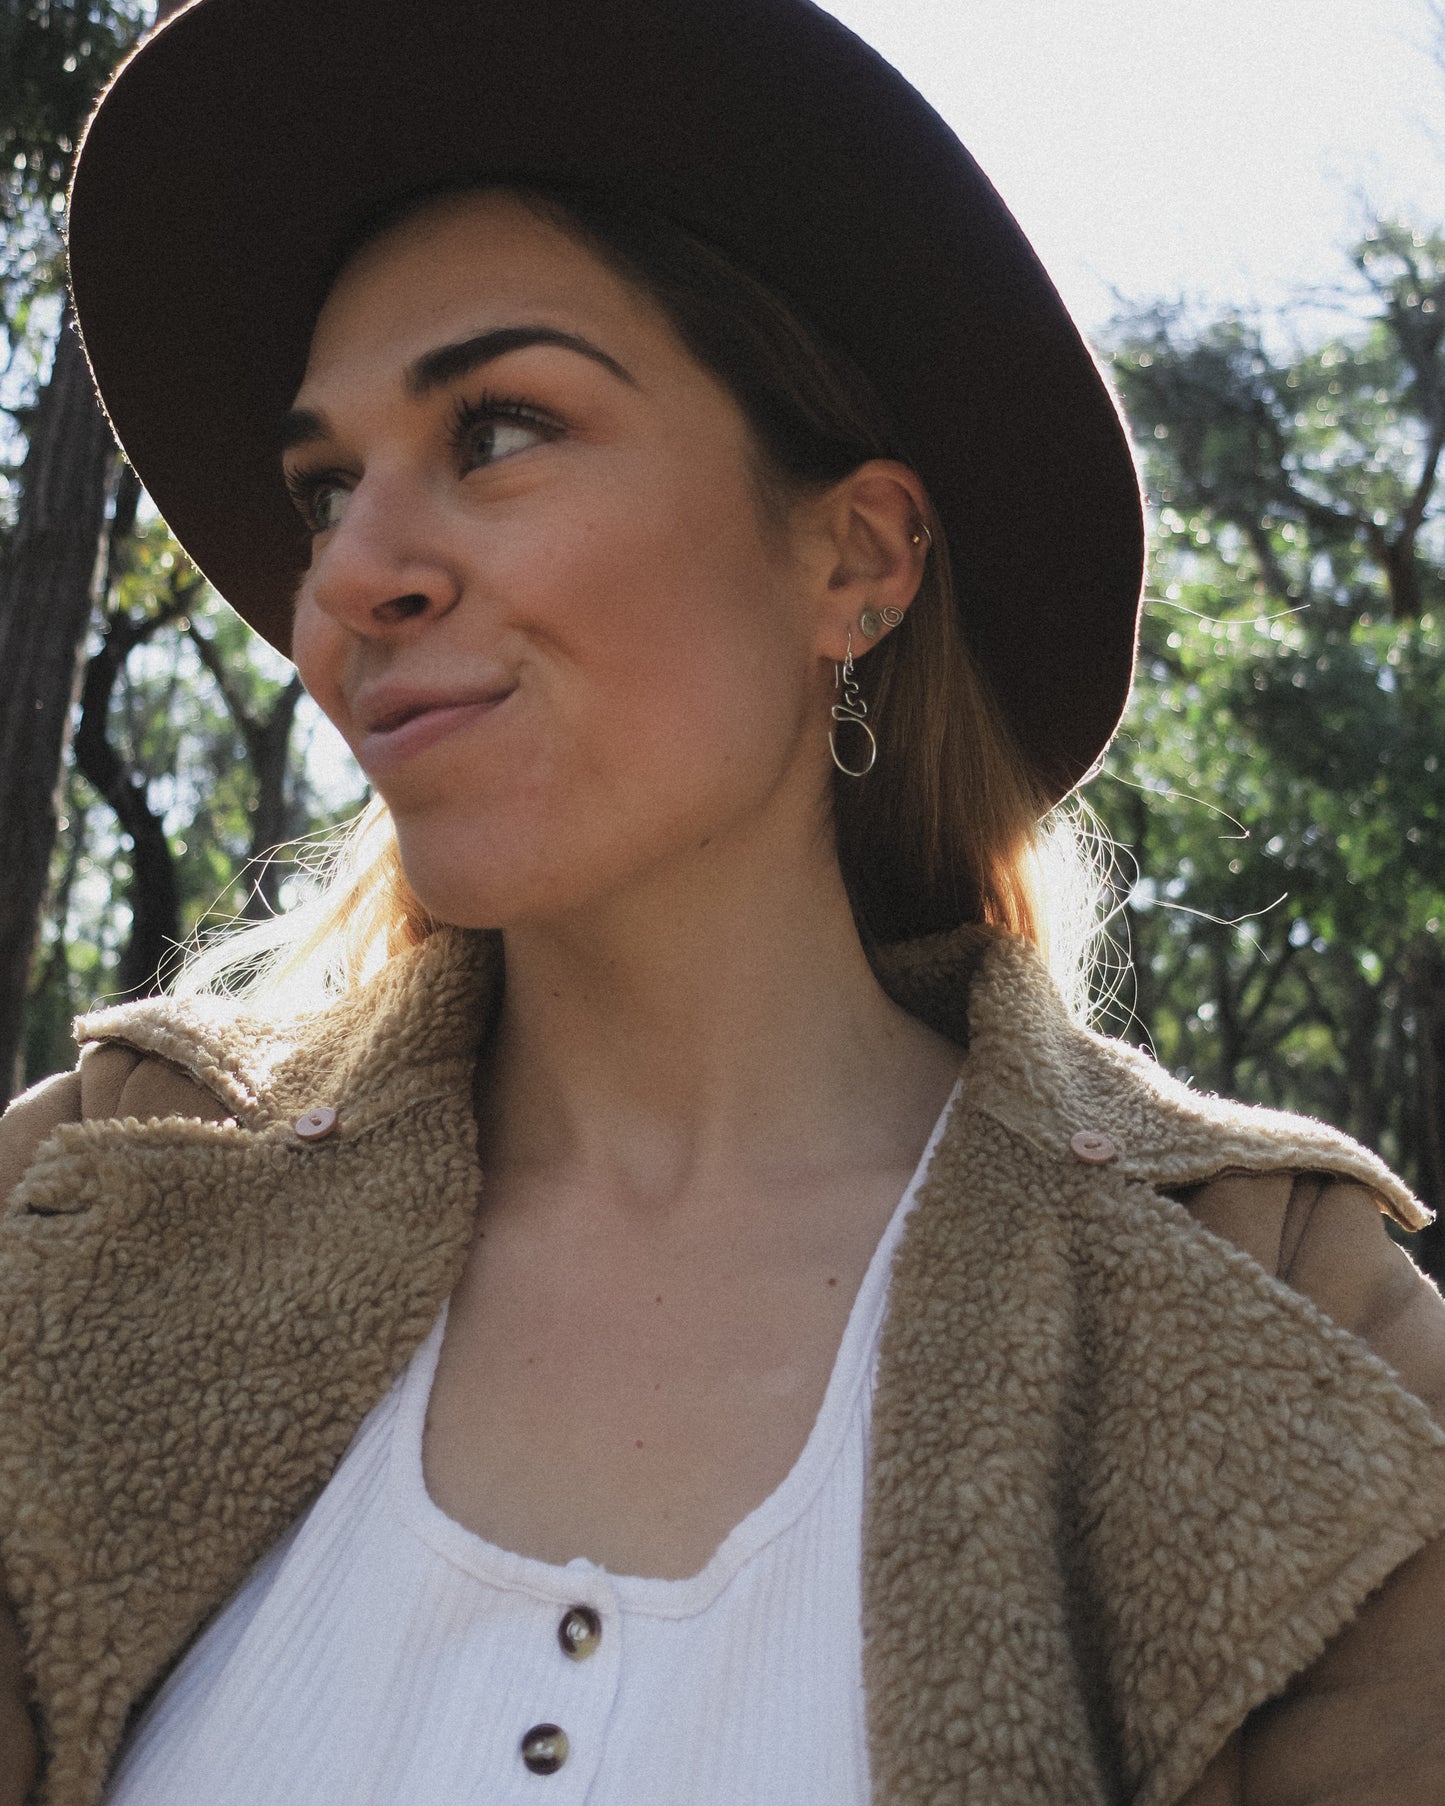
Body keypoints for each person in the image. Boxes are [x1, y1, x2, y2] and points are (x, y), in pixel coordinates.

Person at [2, 1, 1444, 1802]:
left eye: (501, 428)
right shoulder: (84, 1208)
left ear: (852, 557)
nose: (346, 580)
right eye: (323, 489)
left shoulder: (1281, 1314)